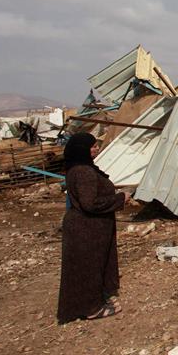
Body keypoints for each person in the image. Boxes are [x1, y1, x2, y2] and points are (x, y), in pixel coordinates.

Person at [57, 133, 133, 323]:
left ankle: (92, 302)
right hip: (87, 228)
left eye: (96, 146)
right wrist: (120, 198)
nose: (96, 149)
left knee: (87, 266)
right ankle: (92, 308)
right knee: (89, 267)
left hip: (87, 227)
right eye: (92, 146)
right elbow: (90, 204)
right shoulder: (83, 172)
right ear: (81, 149)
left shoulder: (78, 168)